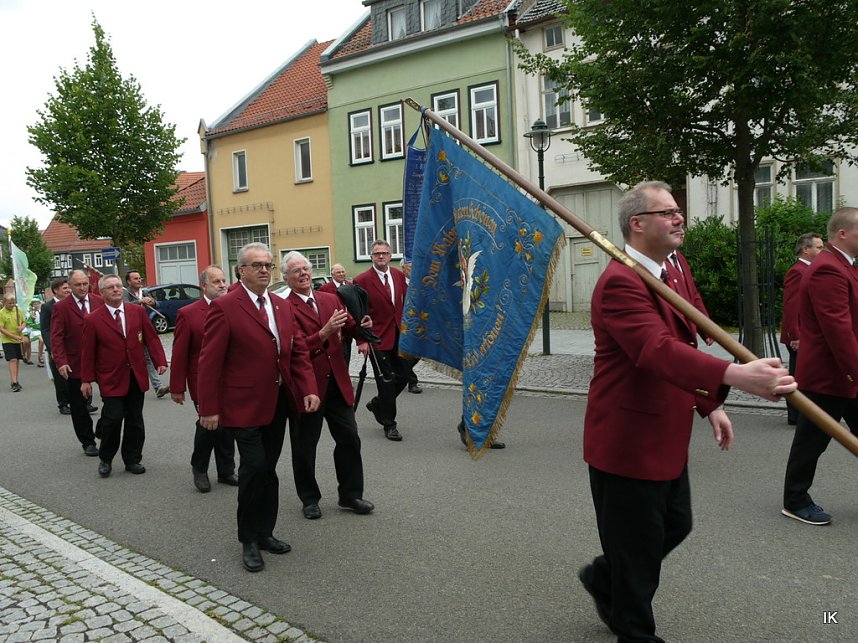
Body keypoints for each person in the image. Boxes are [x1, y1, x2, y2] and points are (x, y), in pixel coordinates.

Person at [580, 181, 795, 642]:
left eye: (679, 210)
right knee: (637, 550)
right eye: (667, 212)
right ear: (637, 224)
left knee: (675, 525)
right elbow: (656, 351)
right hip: (628, 440)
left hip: (667, 432)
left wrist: (708, 404)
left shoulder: (669, 269)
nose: (680, 218)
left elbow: (682, 341)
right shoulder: (620, 280)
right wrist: (736, 376)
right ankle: (635, 630)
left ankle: (606, 576)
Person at [197, 243, 319, 573]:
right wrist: (208, 408)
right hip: (242, 406)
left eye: (268, 265)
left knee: (268, 471)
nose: (265, 270)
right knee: (254, 468)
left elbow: (296, 352)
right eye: (257, 265)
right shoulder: (225, 307)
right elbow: (209, 363)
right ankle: (248, 539)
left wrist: (308, 387)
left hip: (278, 404)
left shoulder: (280, 306)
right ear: (241, 271)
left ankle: (266, 532)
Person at [282, 251, 375, 520]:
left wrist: (361, 328)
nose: (303, 273)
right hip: (308, 387)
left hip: (337, 382)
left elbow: (349, 328)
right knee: (304, 446)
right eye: (296, 270)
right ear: (286, 278)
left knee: (349, 439)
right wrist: (323, 332)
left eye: (306, 268)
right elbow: (293, 349)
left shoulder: (329, 298)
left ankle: (350, 495)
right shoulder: (285, 307)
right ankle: (309, 499)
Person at [782, 208, 858, 526]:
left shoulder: (845, 266)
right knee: (810, 443)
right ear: (842, 234)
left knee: (810, 441)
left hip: (843, 375)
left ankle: (795, 497)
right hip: (830, 377)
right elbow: (837, 330)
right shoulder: (829, 269)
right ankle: (795, 500)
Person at [81, 274, 167, 477]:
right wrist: (86, 380)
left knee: (135, 420)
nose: (116, 289)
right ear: (102, 293)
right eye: (110, 287)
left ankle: (132, 459)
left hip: (135, 375)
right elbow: (88, 352)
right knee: (113, 419)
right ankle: (106, 458)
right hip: (110, 378)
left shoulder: (137, 311)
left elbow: (151, 338)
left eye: (118, 286)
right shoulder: (93, 319)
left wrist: (160, 361)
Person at [169, 265, 237, 492]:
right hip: (203, 381)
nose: (222, 285)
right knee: (208, 426)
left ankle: (226, 470)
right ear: (203, 286)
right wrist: (177, 387)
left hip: (230, 379)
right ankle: (199, 468)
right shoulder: (188, 314)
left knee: (227, 427)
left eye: (223, 280)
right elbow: (179, 354)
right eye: (216, 281)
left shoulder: (233, 307)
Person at [353, 240, 409, 441]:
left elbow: (406, 303)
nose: (381, 256)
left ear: (390, 255)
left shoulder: (398, 276)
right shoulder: (361, 281)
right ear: (371, 257)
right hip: (376, 338)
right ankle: (389, 424)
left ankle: (378, 404)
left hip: (398, 336)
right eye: (377, 254)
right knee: (385, 381)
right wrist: (361, 339)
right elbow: (356, 314)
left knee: (403, 376)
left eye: (385, 253)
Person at [51, 269, 106, 456]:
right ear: (70, 286)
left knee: (113, 399)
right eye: (77, 285)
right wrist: (61, 361)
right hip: (75, 362)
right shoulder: (61, 308)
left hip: (101, 360)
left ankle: (102, 427)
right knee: (79, 405)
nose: (82, 288)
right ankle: (88, 441)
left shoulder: (99, 301)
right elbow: (56, 338)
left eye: (85, 284)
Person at [779, 233, 824, 426]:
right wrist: (795, 335)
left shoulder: (810, 270)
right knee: (798, 374)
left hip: (806, 333)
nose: (822, 251)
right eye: (819, 247)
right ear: (806, 249)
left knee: (804, 373)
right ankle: (795, 415)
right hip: (799, 335)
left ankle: (802, 412)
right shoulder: (798, 271)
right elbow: (792, 305)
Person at [123, 270, 169, 398]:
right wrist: (139, 302)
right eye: (135, 278)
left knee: (149, 355)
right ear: (129, 281)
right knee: (141, 357)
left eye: (139, 278)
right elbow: (124, 305)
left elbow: (157, 303)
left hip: (146, 328)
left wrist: (151, 301)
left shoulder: (145, 292)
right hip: (132, 330)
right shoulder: (126, 293)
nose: (139, 280)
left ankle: (158, 386)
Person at [41, 277, 72, 414]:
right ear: (55, 291)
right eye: (65, 288)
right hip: (57, 347)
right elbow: (46, 329)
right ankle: (63, 404)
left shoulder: (73, 303)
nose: (68, 290)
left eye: (68, 287)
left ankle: (84, 402)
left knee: (79, 374)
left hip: (73, 346)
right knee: (60, 377)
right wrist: (52, 348)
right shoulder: (47, 307)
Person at [319, 263, 354, 363]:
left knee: (348, 353)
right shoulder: (325, 288)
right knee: (339, 354)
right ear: (332, 274)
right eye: (338, 272)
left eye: (343, 272)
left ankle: (345, 373)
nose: (341, 274)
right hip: (334, 327)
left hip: (348, 325)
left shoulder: (351, 286)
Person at [399, 260, 422, 394]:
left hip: (417, 323)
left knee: (417, 354)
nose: (412, 270)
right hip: (402, 325)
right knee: (404, 355)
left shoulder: (419, 283)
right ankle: (412, 381)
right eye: (409, 268)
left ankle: (399, 374)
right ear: (403, 269)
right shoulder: (398, 283)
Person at [0, 295, 26, 392]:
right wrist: (13, 336)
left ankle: (15, 380)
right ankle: (14, 382)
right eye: (9, 303)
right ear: (4, 303)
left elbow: (24, 322)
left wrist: (22, 327)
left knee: (17, 360)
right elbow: (1, 328)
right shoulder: (1, 313)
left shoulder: (18, 310)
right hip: (7, 340)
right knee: (13, 359)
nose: (12, 305)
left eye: (13, 303)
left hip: (18, 339)